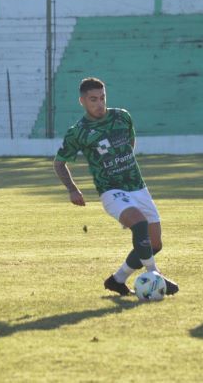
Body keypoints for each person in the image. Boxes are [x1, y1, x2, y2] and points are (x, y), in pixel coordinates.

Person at [53, 77, 179, 297]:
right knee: (139, 226)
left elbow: (130, 144)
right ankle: (155, 276)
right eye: (93, 100)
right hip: (111, 191)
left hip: (138, 186)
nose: (99, 103)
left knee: (154, 244)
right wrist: (72, 188)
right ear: (82, 101)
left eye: (102, 98)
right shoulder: (79, 132)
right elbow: (59, 162)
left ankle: (117, 280)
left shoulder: (122, 116)